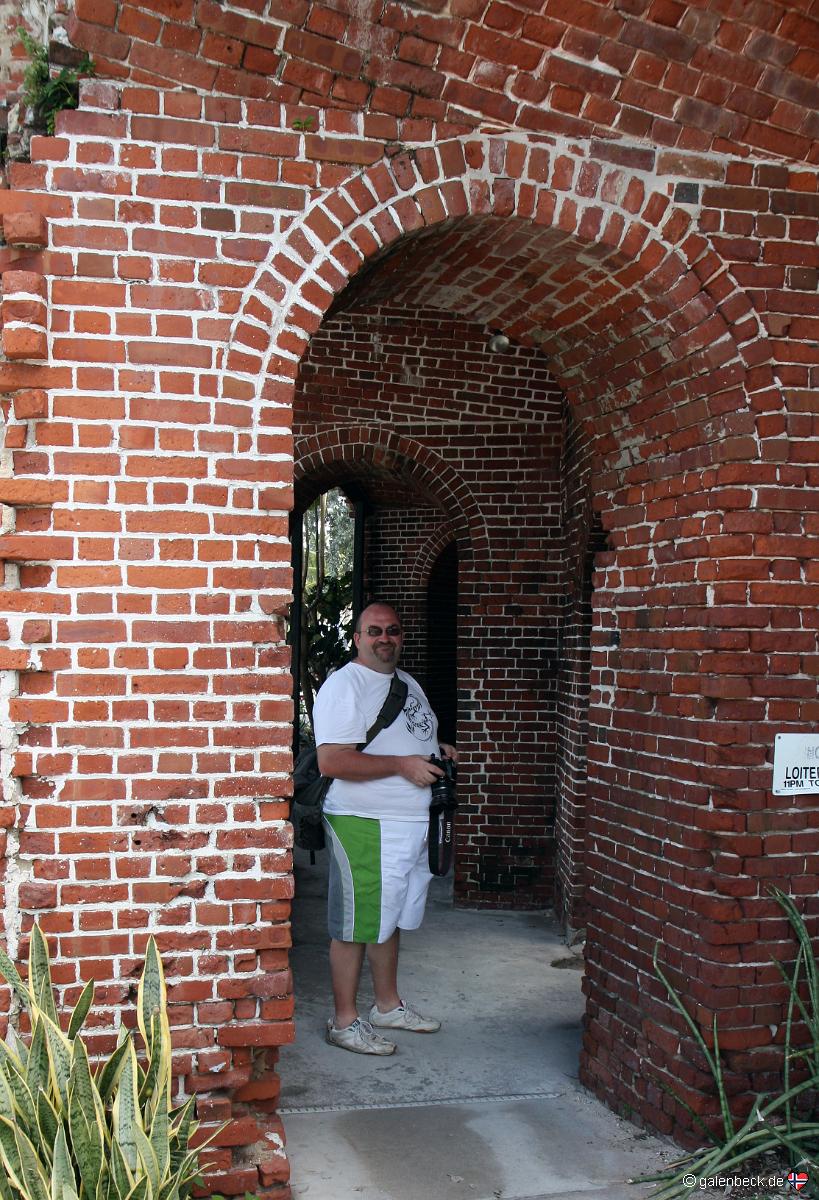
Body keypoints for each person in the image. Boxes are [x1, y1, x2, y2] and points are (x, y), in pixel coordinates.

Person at [313, 601, 458, 1055]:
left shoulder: (406, 683)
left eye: (392, 631)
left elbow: (412, 737)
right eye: (374, 631)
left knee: (387, 916)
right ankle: (343, 1021)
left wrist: (437, 751)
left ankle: (386, 1006)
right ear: (357, 638)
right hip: (364, 822)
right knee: (355, 925)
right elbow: (331, 760)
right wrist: (401, 764)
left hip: (409, 821)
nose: (384, 639)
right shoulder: (345, 685)